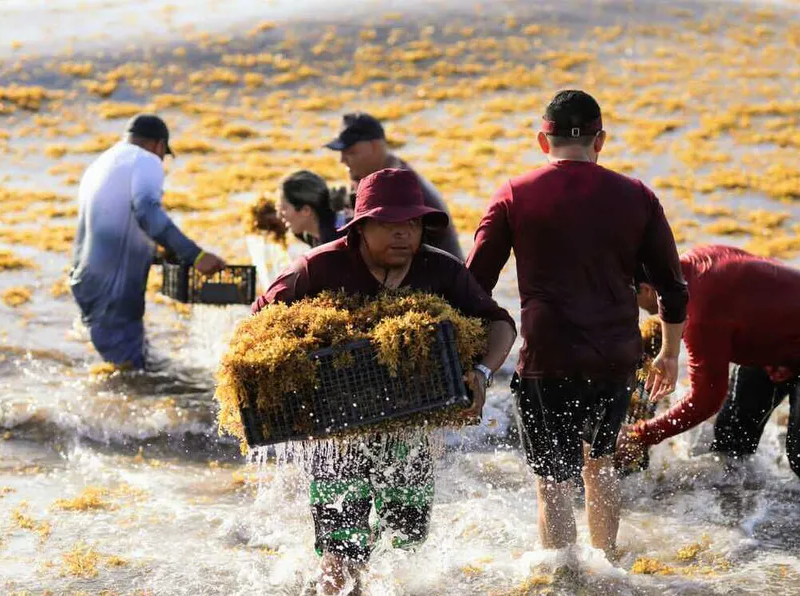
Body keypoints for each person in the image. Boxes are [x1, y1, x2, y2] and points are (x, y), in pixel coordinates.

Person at [252, 168, 516, 595]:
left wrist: (483, 374)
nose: (404, 235)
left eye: (412, 224)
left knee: (403, 545)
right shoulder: (318, 266)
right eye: (390, 224)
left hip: (411, 425)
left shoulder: (441, 270)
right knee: (339, 555)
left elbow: (500, 323)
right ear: (361, 227)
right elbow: (260, 322)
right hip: (338, 430)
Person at [467, 90, 688, 556]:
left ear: (542, 141)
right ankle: (606, 566)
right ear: (600, 140)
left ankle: (565, 578)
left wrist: (471, 360)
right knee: (601, 463)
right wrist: (669, 355)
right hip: (614, 359)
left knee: (552, 483)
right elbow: (672, 286)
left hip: (548, 357)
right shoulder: (637, 196)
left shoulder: (514, 194)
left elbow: (474, 285)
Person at [618, 244, 800, 480]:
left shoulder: (700, 315)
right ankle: (744, 507)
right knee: (731, 441)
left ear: (647, 290)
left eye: (629, 296)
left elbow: (706, 399)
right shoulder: (690, 266)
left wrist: (642, 434)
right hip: (774, 341)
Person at [70, 114, 225, 369]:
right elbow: (146, 210)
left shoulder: (103, 161)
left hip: (86, 279)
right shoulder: (146, 160)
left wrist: (160, 253)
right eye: (163, 154)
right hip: (114, 288)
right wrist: (195, 255)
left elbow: (114, 224)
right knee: (129, 371)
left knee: (129, 361)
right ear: (159, 146)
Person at [324, 112, 464, 260]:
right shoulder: (368, 179)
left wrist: (338, 218)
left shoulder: (403, 194)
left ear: (375, 146)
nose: (342, 160)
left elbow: (354, 250)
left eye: (350, 152)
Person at [277, 170, 349, 248]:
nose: (279, 215)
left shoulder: (341, 240)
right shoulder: (312, 235)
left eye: (284, 208)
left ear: (306, 210)